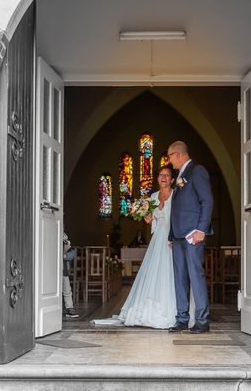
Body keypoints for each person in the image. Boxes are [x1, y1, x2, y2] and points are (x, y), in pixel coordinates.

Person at [94, 165, 177, 329]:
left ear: (172, 179)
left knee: (169, 272)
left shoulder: (176, 196)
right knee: (153, 271)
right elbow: (150, 219)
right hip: (158, 239)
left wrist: (173, 236)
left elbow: (178, 217)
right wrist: (147, 216)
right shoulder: (153, 196)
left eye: (167, 175)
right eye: (161, 175)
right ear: (157, 178)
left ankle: (171, 310)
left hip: (171, 237)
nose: (164, 177)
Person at [166, 141, 213, 334]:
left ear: (177, 154)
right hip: (177, 236)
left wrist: (201, 229)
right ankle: (182, 318)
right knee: (180, 278)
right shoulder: (181, 176)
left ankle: (202, 320)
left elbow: (207, 200)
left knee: (195, 276)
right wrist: (171, 235)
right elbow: (176, 208)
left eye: (169, 157)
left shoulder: (197, 171)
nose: (169, 161)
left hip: (193, 235)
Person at [62, 233, 79, 318]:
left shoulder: (65, 238)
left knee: (67, 288)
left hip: (63, 268)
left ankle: (70, 307)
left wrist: (65, 255)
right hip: (51, 266)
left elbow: (72, 252)